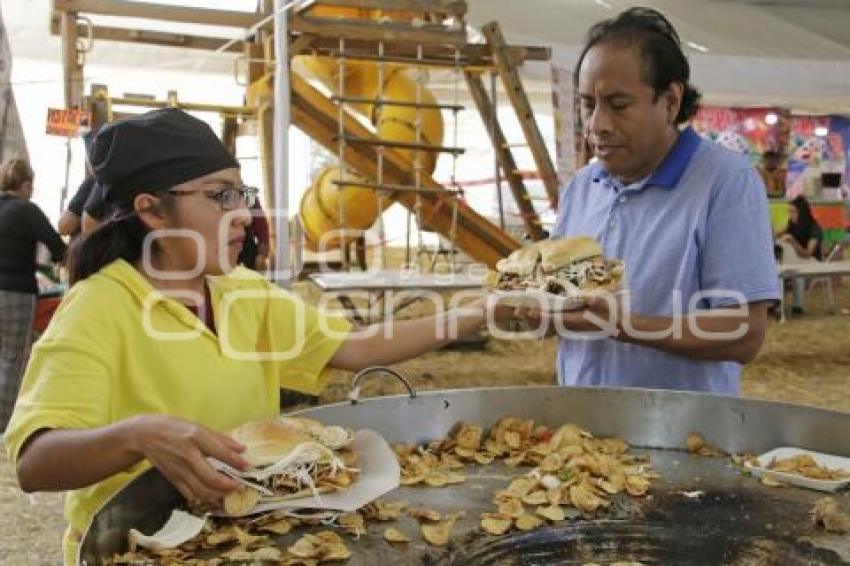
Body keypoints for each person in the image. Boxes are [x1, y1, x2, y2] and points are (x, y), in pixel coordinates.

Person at [2, 108, 508, 564]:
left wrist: (484, 310)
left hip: (240, 539)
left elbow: (359, 347)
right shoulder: (99, 307)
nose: (244, 212)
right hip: (138, 547)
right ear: (154, 211)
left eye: (241, 194)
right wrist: (139, 436)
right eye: (220, 196)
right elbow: (35, 461)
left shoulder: (242, 292)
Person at [526, 8, 779, 394]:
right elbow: (561, 298)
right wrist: (539, 310)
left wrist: (624, 325)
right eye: (588, 104)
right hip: (581, 435)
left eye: (619, 104)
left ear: (671, 101)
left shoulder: (724, 182)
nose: (598, 125)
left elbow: (743, 332)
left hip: (682, 437)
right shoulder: (582, 186)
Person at [0, 159, 66, 431]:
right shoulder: (27, 211)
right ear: (26, 184)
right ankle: (3, 426)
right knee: (12, 359)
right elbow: (56, 245)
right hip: (16, 292)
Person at [775, 195, 823, 315]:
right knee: (779, 266)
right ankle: (776, 304)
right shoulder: (792, 224)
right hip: (795, 261)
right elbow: (779, 234)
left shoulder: (814, 227)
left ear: (802, 213)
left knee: (796, 270)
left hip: (812, 262)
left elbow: (807, 253)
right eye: (789, 211)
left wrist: (792, 241)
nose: (790, 215)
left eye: (793, 212)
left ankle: (797, 306)